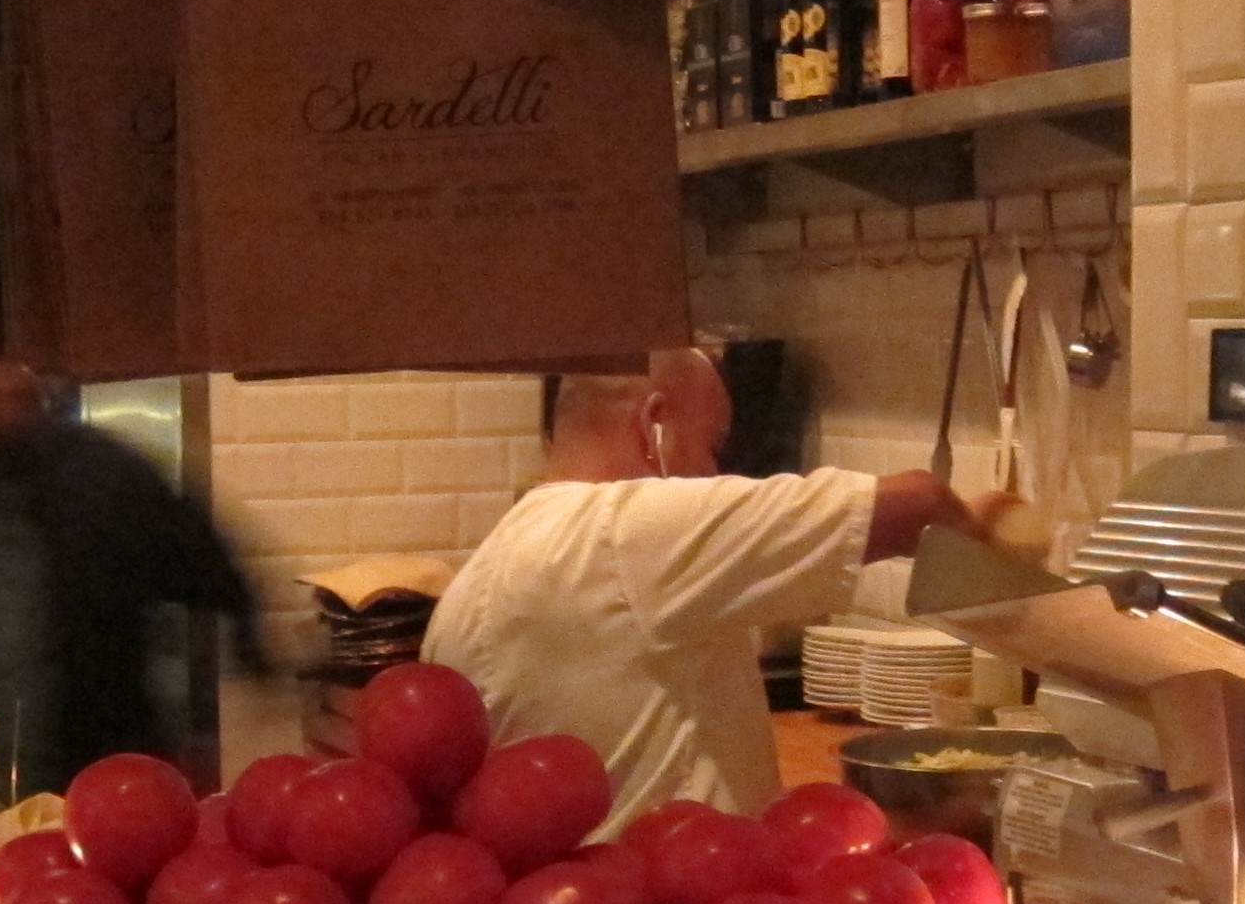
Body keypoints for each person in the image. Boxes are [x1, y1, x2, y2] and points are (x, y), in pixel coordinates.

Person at [422, 348, 993, 829]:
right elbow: (916, 505)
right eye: (712, 444)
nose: (717, 472)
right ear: (654, 429)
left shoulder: (477, 578)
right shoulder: (629, 530)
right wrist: (990, 530)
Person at [0, 365, 261, 792]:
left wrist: (253, 660)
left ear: (28, 380)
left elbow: (210, 568)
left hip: (102, 771)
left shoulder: (107, 476)